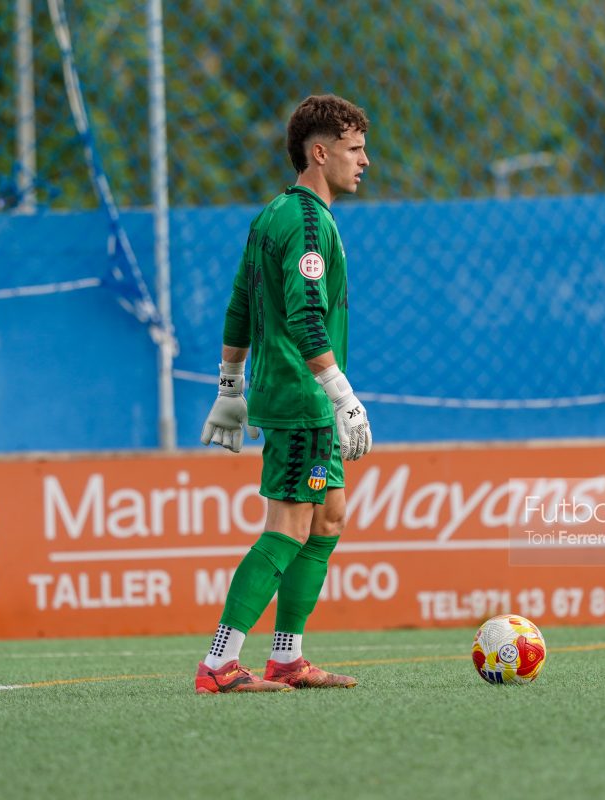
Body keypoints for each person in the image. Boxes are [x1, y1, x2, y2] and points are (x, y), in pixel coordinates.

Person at [195, 94, 373, 693]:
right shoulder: (307, 222)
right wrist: (341, 394)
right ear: (319, 153)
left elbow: (241, 304)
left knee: (327, 517)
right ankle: (219, 663)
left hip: (297, 396)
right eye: (354, 149)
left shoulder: (273, 214)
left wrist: (230, 386)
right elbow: (304, 317)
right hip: (303, 400)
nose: (364, 161)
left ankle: (287, 657)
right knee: (290, 526)